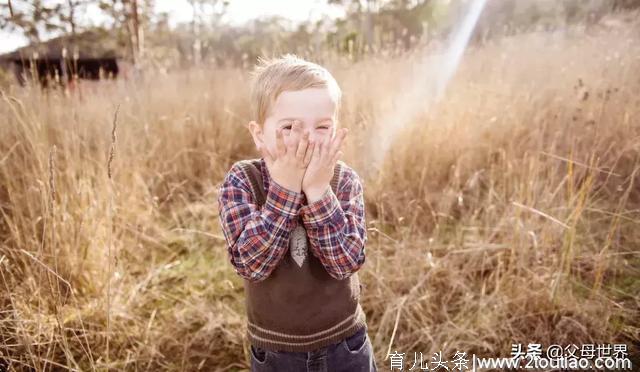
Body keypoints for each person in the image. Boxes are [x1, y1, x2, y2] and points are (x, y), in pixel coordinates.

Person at [217, 53, 377, 372]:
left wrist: (318, 191)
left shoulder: (343, 181)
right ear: (259, 134)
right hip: (276, 352)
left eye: (322, 126)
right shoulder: (242, 181)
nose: (307, 139)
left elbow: (346, 261)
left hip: (345, 343)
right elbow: (252, 264)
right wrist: (286, 190)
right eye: (290, 126)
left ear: (335, 131)